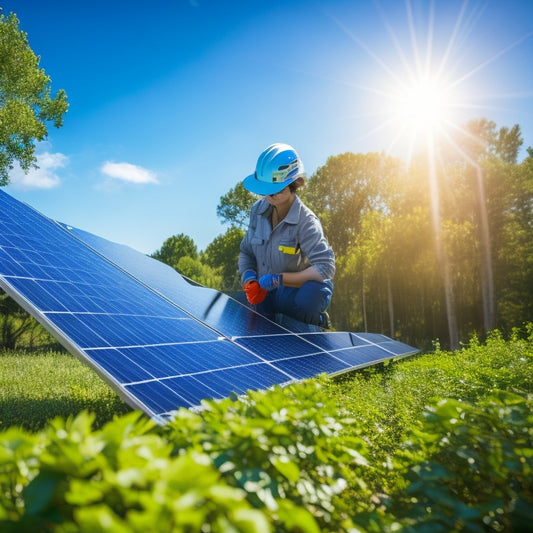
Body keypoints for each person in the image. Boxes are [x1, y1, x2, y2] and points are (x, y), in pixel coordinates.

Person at [238, 143, 335, 328]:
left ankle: (315, 320)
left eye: (276, 191)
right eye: (265, 191)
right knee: (256, 316)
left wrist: (280, 278)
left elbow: (326, 267)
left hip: (297, 290)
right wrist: (249, 278)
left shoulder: (306, 221)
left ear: (293, 184)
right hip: (268, 289)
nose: (269, 197)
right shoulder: (257, 212)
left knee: (309, 299)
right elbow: (246, 252)